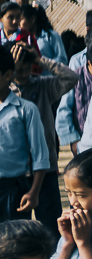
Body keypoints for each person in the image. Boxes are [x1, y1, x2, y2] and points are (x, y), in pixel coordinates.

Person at [12, 46, 77, 227]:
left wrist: (41, 60)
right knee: (18, 230)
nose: (23, 72)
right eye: (18, 68)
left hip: (46, 168)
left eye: (27, 66)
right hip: (16, 172)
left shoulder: (43, 85)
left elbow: (71, 77)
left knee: (51, 227)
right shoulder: (5, 92)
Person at [0, 43, 50, 219]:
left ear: (7, 75)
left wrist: (34, 192)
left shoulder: (26, 109)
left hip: (14, 190)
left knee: (14, 243)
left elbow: (40, 155)